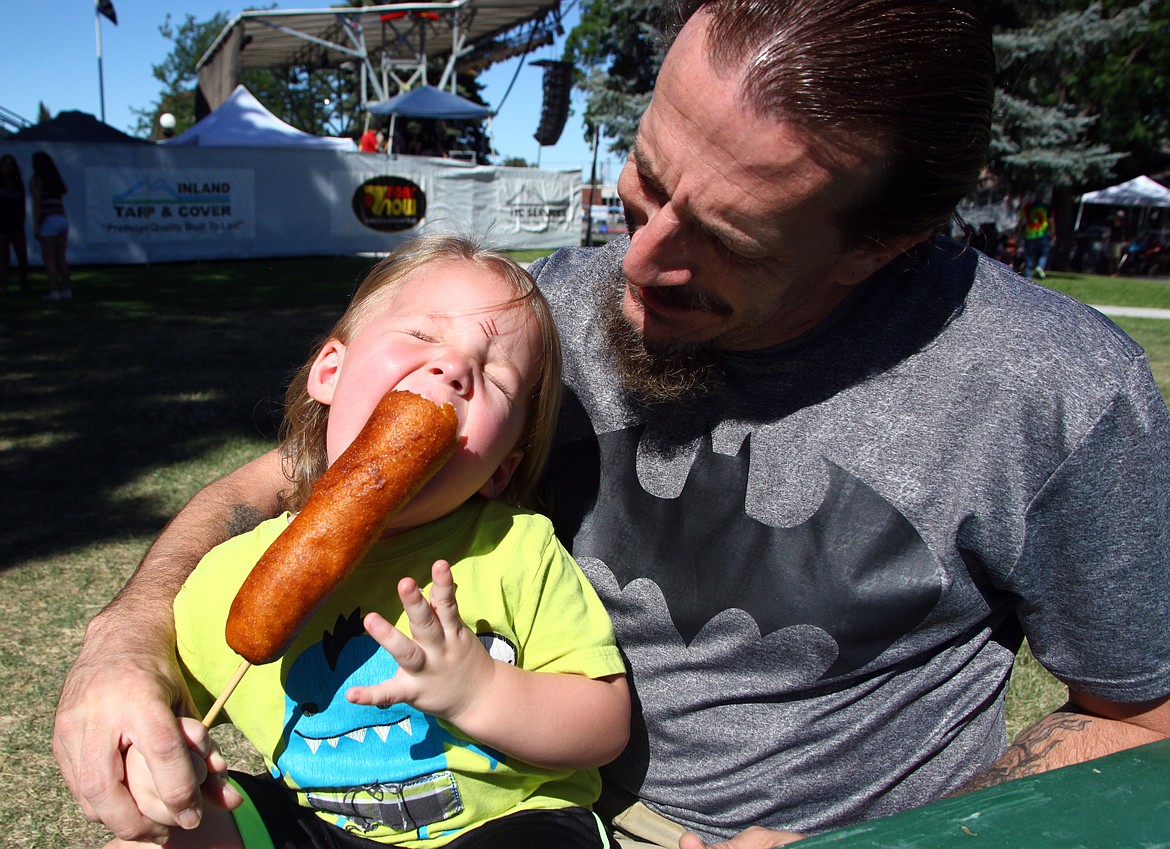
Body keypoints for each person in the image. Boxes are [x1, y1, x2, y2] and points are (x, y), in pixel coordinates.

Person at [55, 2, 1170, 848]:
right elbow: (278, 483)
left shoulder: (1054, 388)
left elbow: (1143, 716)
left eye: (725, 237)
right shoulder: (528, 323)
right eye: (645, 180)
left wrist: (900, 844)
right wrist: (121, 651)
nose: (636, 266)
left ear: (882, 244)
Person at [106, 235, 630, 849]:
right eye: (421, 336)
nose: (454, 368)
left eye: (495, 375)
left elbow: (604, 724)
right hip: (320, 823)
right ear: (330, 372)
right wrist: (166, 752)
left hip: (506, 822)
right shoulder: (228, 576)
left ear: (500, 471)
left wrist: (482, 690)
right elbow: (170, 710)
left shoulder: (517, 549)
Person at [30, 150, 72, 300]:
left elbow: (37, 203)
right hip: (62, 218)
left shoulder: (37, 180)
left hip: (49, 219)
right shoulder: (55, 179)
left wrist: (36, 225)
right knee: (61, 257)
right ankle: (66, 289)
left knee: (49, 258)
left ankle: (54, 290)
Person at [0, 154, 31, 296]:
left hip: (17, 224)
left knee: (22, 257)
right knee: (4, 258)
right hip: (2, 225)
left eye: (10, 164)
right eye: (4, 164)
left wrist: (22, 219)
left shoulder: (18, 183)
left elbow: (23, 203)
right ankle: (4, 286)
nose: (7, 167)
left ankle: (24, 284)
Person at [1019, 195, 1054, 280]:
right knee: (1044, 253)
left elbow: (1022, 220)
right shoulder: (1046, 207)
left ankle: (1028, 274)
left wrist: (1019, 231)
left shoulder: (1028, 207)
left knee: (1029, 255)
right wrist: (1053, 231)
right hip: (1042, 234)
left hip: (1030, 234)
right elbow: (1051, 220)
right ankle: (1040, 266)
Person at [1107, 209, 1128, 276]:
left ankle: (1117, 272)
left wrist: (1122, 242)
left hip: (1117, 242)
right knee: (1110, 258)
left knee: (1116, 258)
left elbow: (1123, 235)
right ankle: (1110, 272)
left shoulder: (1122, 226)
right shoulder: (1112, 224)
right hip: (1112, 241)